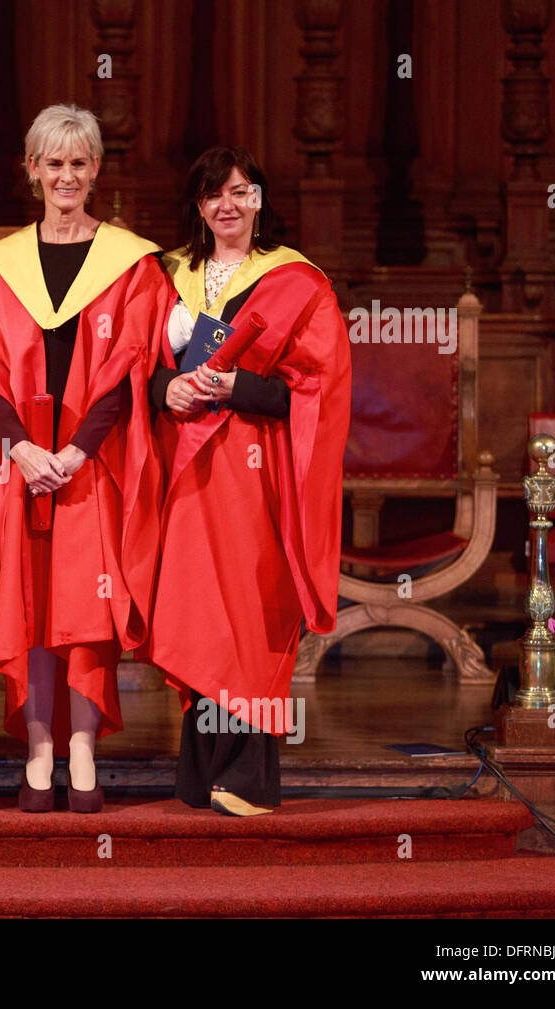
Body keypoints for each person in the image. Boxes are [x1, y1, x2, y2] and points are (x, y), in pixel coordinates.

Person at [0, 104, 167, 813]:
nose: (66, 175)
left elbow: (128, 372)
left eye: (79, 162)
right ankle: (38, 747)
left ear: (95, 170)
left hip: (91, 462)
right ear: (32, 170)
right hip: (23, 462)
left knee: (87, 604)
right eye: (53, 162)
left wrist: (78, 451)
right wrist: (22, 446)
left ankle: (82, 743)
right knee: (27, 603)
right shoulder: (0, 264)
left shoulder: (132, 262)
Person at [147, 145, 351, 816]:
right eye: (213, 194)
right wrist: (166, 388)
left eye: (241, 191)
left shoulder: (298, 282)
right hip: (187, 466)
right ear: (198, 206)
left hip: (256, 466)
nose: (227, 205)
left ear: (261, 200)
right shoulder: (165, 275)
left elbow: (316, 389)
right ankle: (202, 768)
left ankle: (248, 775)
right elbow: (132, 366)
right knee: (198, 607)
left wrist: (241, 386)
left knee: (248, 607)